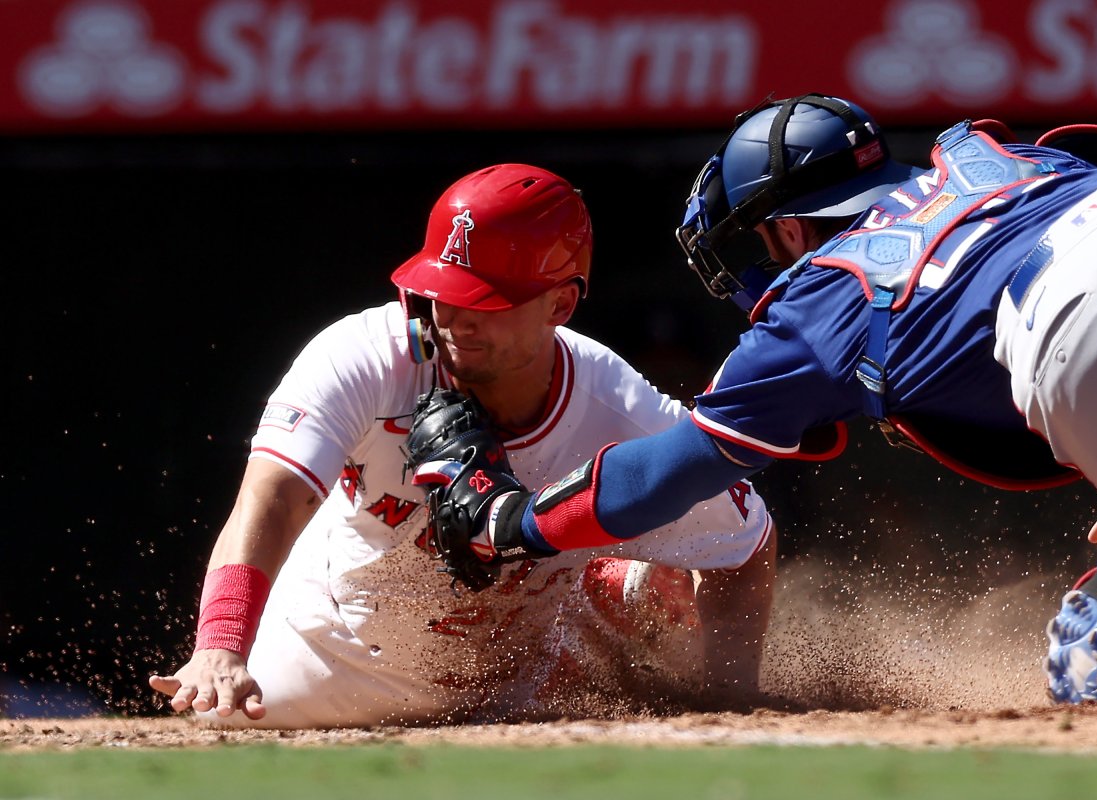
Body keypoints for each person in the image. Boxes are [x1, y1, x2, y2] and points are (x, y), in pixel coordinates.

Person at [403, 94, 1097, 707]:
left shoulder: (821, 294)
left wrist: (517, 524)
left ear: (787, 231)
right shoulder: (990, 155)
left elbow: (675, 470)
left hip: (1083, 314)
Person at [147, 164, 776, 728]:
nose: (455, 317)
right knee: (223, 724)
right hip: (320, 663)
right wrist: (221, 645)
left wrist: (727, 702)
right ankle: (601, 581)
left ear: (560, 302)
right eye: (444, 291)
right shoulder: (365, 355)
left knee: (662, 591)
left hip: (520, 696)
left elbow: (748, 539)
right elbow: (272, 499)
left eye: (488, 299)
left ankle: (603, 588)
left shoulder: (620, 407)